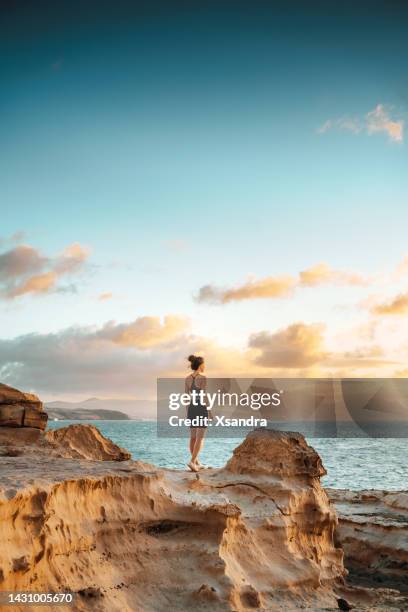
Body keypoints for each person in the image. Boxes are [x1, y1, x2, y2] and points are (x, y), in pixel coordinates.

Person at [185, 354, 210, 471]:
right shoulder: (203, 378)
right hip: (201, 408)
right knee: (200, 437)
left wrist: (188, 412)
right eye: (204, 364)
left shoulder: (187, 379)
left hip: (191, 408)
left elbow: (186, 397)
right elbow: (204, 396)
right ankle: (192, 461)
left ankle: (196, 462)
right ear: (200, 365)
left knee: (193, 437)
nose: (205, 366)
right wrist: (209, 411)